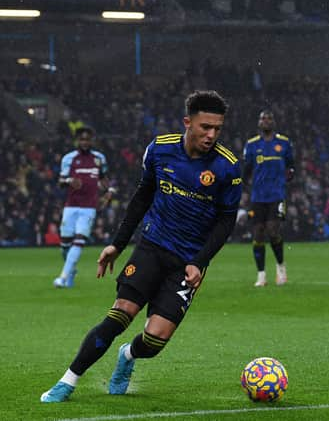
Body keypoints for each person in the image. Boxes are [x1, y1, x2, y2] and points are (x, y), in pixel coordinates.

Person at [41, 90, 242, 403]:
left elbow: (226, 222)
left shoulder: (228, 167)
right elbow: (142, 197)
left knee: (155, 339)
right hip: (152, 247)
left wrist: (200, 261)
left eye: (218, 128)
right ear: (187, 122)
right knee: (120, 314)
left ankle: (129, 356)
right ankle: (67, 381)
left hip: (187, 262)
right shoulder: (160, 149)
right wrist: (117, 244)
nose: (211, 135)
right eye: (205, 127)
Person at [53, 126, 113, 288]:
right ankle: (71, 270)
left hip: (89, 207)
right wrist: (68, 181)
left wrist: (110, 191)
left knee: (79, 241)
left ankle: (63, 277)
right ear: (77, 141)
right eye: (82, 139)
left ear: (92, 141)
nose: (85, 142)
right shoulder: (69, 158)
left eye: (87, 139)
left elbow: (105, 178)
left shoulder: (99, 158)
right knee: (65, 244)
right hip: (71, 206)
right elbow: (60, 181)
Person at [243, 110, 294, 287]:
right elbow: (246, 170)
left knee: (273, 230)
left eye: (269, 118)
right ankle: (261, 275)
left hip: (276, 195)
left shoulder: (284, 143)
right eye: (263, 118)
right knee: (257, 233)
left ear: (274, 122)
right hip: (258, 196)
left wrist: (288, 175)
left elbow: (291, 165)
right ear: (259, 123)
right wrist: (243, 190)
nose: (266, 121)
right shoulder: (251, 145)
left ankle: (280, 267)